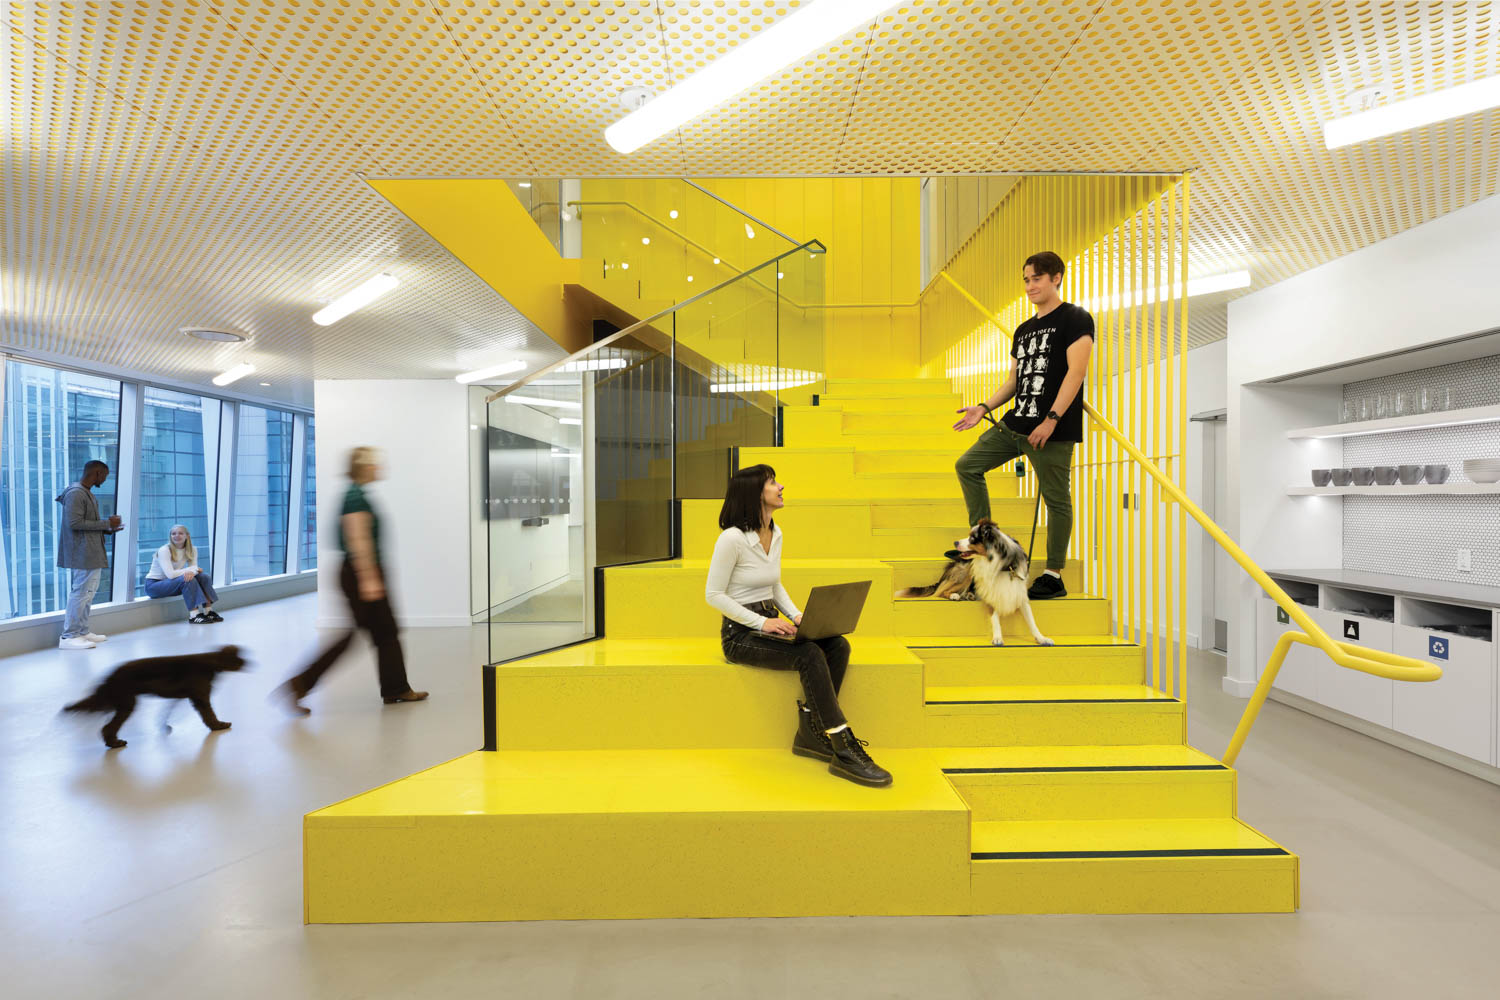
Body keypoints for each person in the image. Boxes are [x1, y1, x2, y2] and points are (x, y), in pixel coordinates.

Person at [706, 464, 892, 788]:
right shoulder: (732, 539)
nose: (781, 487)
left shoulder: (775, 533)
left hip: (770, 622)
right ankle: (841, 744)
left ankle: (810, 732)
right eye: (772, 483)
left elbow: (774, 586)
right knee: (807, 653)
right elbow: (714, 595)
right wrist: (764, 623)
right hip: (740, 634)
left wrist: (795, 616)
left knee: (837, 645)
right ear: (754, 494)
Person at [953, 250, 1095, 600]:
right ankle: (986, 546)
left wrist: (1051, 419)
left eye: (1037, 278)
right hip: (1015, 423)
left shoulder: (1075, 319)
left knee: (1056, 498)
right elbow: (1014, 381)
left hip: (1051, 430)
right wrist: (984, 406)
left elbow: (1076, 373)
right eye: (1026, 279)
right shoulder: (1023, 329)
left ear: (1056, 278)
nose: (1030, 285)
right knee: (967, 465)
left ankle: (1053, 574)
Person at [278, 446, 427, 713]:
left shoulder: (357, 494)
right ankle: (299, 684)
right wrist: (369, 578)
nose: (380, 468)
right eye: (375, 464)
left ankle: (396, 689)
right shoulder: (355, 497)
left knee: (385, 633)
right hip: (360, 572)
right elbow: (358, 538)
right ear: (364, 467)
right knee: (362, 635)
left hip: (359, 571)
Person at [56, 459, 123, 650]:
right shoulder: (76, 494)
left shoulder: (87, 493)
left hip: (91, 552)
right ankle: (69, 636)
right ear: (97, 473)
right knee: (80, 593)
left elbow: (87, 525)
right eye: (105, 476)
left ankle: (82, 631)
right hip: (82, 553)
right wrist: (106, 523)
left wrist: (110, 528)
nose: (105, 479)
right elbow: (74, 523)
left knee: (88, 594)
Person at [143, 524, 222, 623]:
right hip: (154, 586)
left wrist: (194, 570)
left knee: (203, 577)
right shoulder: (164, 550)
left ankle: (208, 612)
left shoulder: (192, 549)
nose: (176, 536)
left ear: (187, 536)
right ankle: (194, 615)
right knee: (187, 579)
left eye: (180, 533)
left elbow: (194, 571)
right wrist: (193, 569)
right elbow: (170, 575)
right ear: (170, 536)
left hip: (172, 583)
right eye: (173, 534)